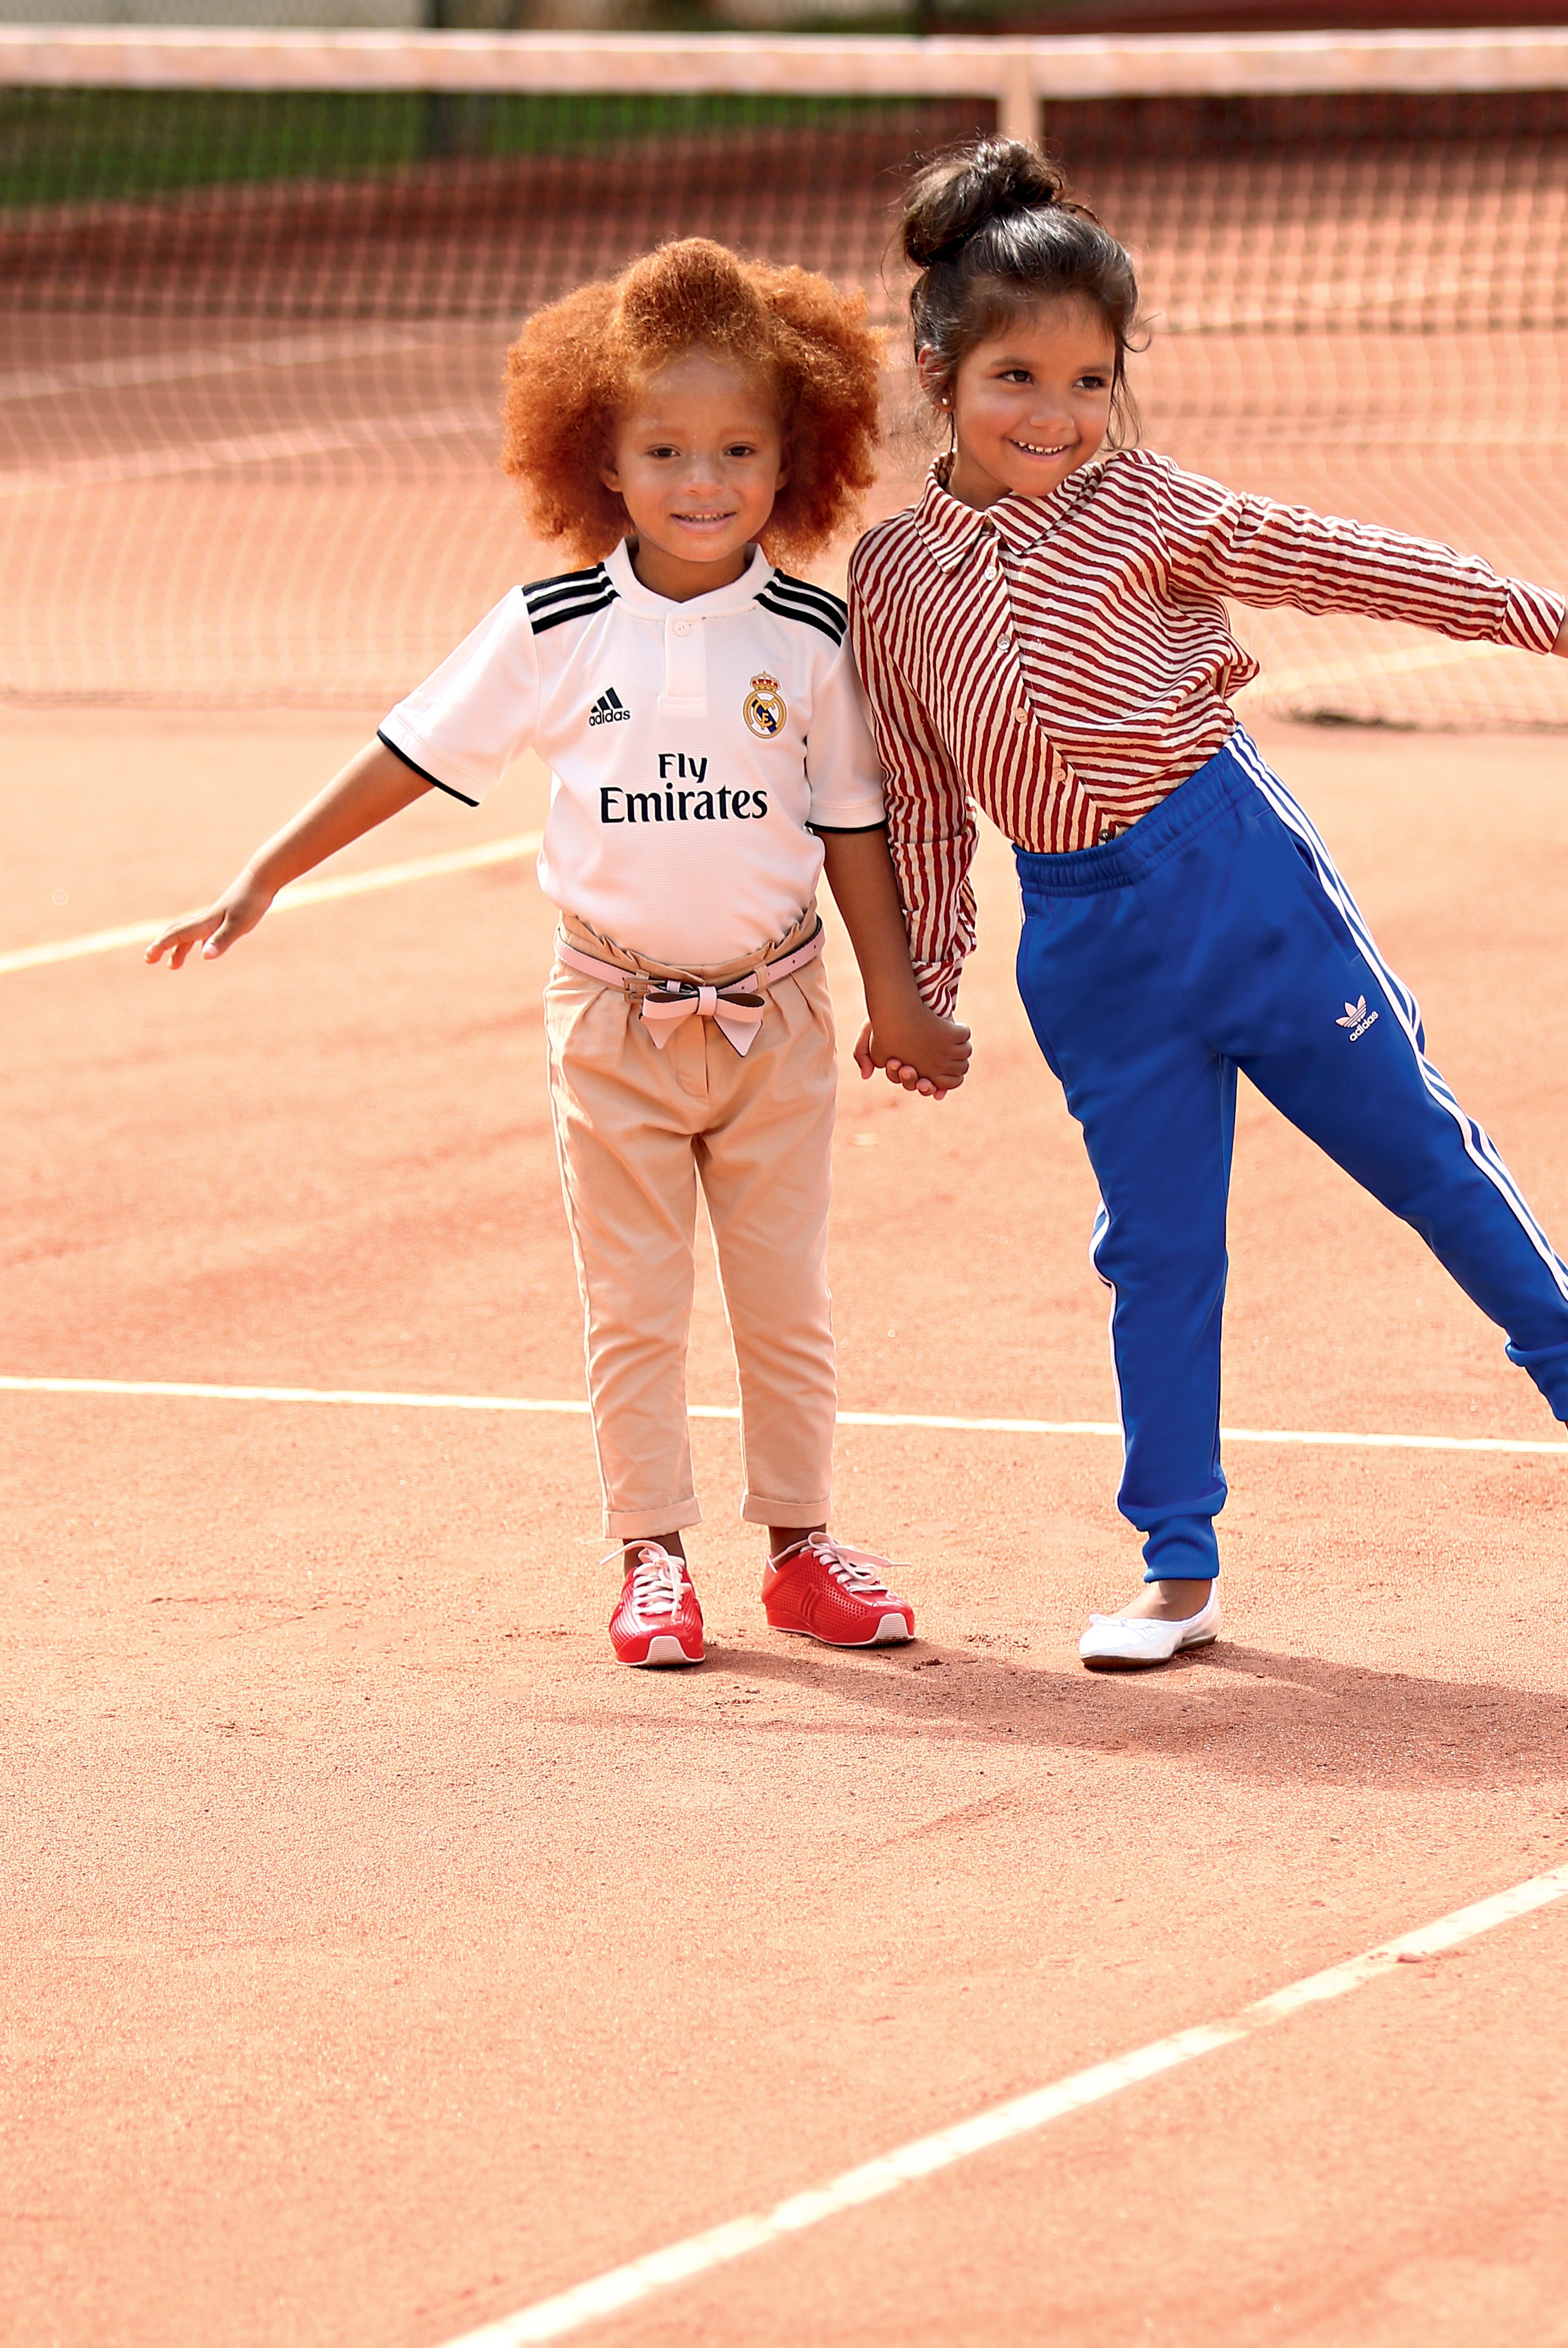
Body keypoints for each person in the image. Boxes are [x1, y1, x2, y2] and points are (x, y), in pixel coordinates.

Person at [845, 140, 1568, 1673]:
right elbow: (915, 789)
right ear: (936, 370)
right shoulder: (895, 577)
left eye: (1092, 382)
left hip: (1237, 880)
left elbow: (1336, 557)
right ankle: (1179, 1565)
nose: (1058, 416)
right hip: (1084, 945)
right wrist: (929, 976)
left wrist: (1544, 623)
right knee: (1156, 1252)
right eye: (1018, 379)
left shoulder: (1153, 507)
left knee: (1420, 1156)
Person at [148, 237, 970, 1669]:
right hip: (610, 1023)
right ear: (601, 456)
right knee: (634, 1305)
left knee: (788, 1303)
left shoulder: (819, 637)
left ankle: (801, 1549)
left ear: (796, 461)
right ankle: (651, 1559)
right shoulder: (552, 628)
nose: (701, 481)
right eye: (664, 449)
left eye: (737, 450)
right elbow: (406, 755)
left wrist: (901, 1006)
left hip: (775, 1021)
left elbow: (855, 834)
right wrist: (265, 871)